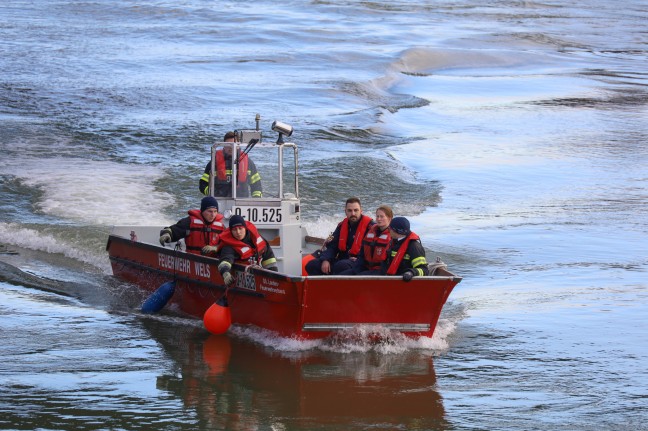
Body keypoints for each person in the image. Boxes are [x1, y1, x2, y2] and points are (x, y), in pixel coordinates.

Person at [304, 197, 374, 275]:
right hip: (342, 259)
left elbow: (373, 249)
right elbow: (332, 246)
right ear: (345, 212)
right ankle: (322, 286)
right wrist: (326, 259)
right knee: (312, 265)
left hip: (359, 262)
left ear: (361, 211)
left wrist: (360, 259)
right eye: (350, 211)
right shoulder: (341, 226)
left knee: (341, 266)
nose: (353, 213)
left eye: (356, 210)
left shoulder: (371, 227)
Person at [217, 215, 278, 286]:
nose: (238, 232)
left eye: (240, 228)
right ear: (231, 231)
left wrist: (274, 279)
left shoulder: (257, 239)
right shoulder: (228, 246)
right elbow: (225, 260)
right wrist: (225, 273)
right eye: (234, 229)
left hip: (257, 278)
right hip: (241, 281)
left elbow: (269, 259)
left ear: (245, 228)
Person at [199, 131, 263, 198]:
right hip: (219, 202)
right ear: (223, 146)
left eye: (233, 145)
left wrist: (255, 200)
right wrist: (213, 193)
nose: (230, 147)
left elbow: (257, 185)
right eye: (228, 145)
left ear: (238, 146)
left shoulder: (248, 163)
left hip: (242, 203)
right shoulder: (213, 164)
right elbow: (203, 184)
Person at [159, 196, 225, 255]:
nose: (213, 215)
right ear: (202, 211)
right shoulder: (190, 222)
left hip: (213, 262)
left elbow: (227, 242)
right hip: (193, 260)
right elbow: (174, 230)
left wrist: (216, 247)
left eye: (215, 211)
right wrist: (167, 234)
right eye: (209, 211)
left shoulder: (221, 226)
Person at [339, 205, 393, 275]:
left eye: (382, 217)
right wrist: (358, 266)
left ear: (389, 218)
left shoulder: (393, 235)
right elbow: (362, 252)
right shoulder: (371, 231)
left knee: (358, 278)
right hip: (365, 266)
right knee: (342, 275)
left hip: (381, 270)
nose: (379, 219)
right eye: (377, 216)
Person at [382, 216, 429, 281]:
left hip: (404, 282)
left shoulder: (414, 247)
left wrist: (411, 273)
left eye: (390, 228)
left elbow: (424, 270)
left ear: (397, 231)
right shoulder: (393, 242)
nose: (388, 230)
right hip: (390, 279)